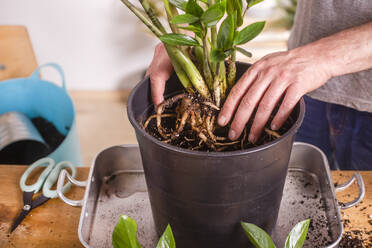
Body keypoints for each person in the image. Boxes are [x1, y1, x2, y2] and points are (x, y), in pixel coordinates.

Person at [145, 0, 372, 170]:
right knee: (292, 183)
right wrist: (188, 33)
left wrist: (325, 57)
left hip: (360, 99)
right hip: (300, 85)